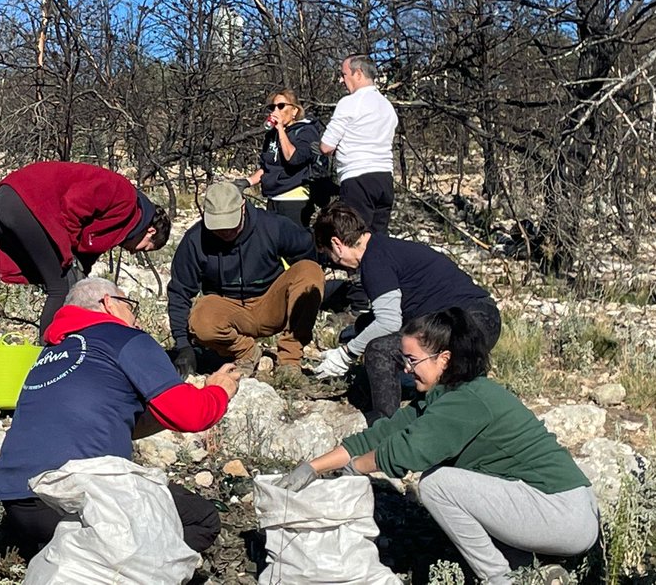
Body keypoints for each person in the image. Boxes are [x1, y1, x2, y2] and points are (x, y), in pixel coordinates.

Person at [285, 309, 597, 585]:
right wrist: (314, 467)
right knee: (451, 486)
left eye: (412, 359)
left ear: (443, 359)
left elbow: (405, 452)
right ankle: (532, 570)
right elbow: (383, 434)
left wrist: (354, 469)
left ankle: (499, 579)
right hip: (557, 508)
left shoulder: (466, 401)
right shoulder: (445, 395)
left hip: (563, 513)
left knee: (437, 484)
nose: (405, 368)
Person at [0, 277, 241, 561]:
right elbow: (193, 416)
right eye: (129, 305)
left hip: (19, 502)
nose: (135, 317)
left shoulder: (51, 353)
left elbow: (100, 418)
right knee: (201, 520)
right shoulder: (124, 338)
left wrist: (164, 410)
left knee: (88, 547)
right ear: (109, 304)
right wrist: (219, 390)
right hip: (79, 493)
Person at [311, 201, 501, 421]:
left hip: (465, 327)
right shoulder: (384, 248)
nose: (335, 262)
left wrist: (346, 354)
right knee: (366, 326)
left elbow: (389, 322)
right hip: (486, 319)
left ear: (337, 244)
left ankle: (384, 428)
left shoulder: (374, 262)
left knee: (379, 350)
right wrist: (358, 331)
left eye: (329, 255)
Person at [0, 161, 170, 338]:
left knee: (72, 285)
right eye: (145, 247)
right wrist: (67, 250)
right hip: (24, 198)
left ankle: (70, 345)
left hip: (12, 200)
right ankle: (49, 355)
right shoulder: (124, 195)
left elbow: (84, 261)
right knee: (59, 288)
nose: (133, 252)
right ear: (150, 230)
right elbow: (74, 203)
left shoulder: (119, 227)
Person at [168, 180, 324, 376]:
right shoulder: (195, 240)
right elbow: (179, 292)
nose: (225, 232)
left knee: (310, 271)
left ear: (243, 207)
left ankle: (289, 359)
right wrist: (183, 346)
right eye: (218, 226)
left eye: (230, 224)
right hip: (230, 310)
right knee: (201, 318)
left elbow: (306, 250)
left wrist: (302, 302)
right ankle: (246, 352)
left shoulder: (272, 225)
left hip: (271, 303)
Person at [320, 55, 398, 235]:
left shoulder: (350, 103)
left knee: (353, 239)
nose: (341, 80)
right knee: (377, 241)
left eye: (344, 74)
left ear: (358, 73)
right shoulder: (387, 106)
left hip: (357, 179)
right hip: (385, 180)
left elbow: (326, 146)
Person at [246, 88, 333, 228]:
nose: (276, 110)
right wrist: (247, 182)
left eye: (281, 106)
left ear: (294, 111)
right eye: (272, 107)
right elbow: (266, 167)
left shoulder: (305, 132)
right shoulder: (271, 136)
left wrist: (280, 129)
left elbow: (293, 158)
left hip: (294, 200)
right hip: (273, 199)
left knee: (293, 244)